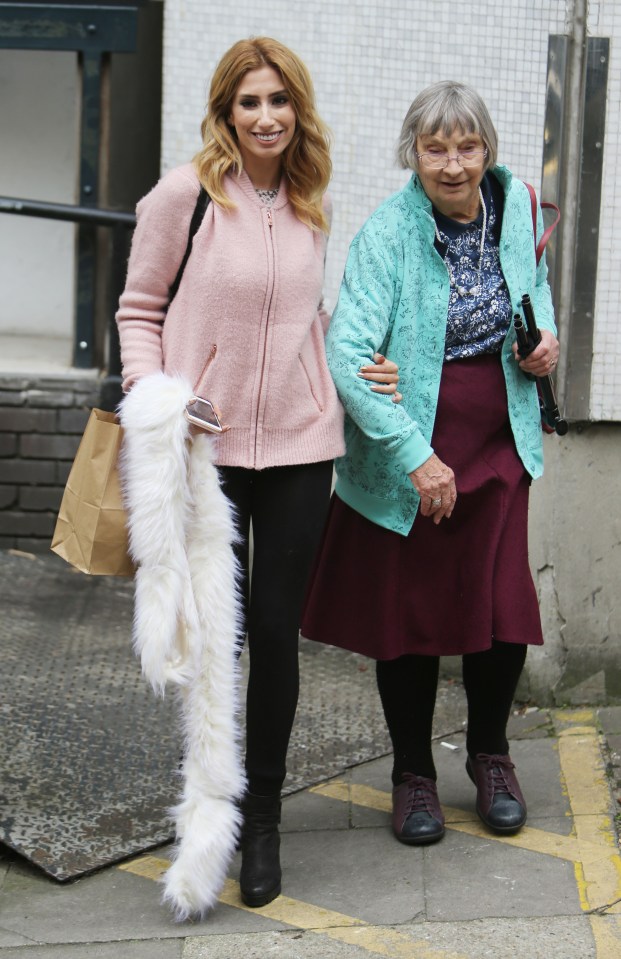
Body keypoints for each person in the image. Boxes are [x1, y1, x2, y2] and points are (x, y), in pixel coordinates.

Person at [116, 36, 399, 911]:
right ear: (225, 112)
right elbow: (138, 308)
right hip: (205, 448)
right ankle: (208, 805)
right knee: (212, 637)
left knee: (277, 632)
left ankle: (262, 818)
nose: (266, 117)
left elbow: (311, 318)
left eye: (279, 100)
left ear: (296, 109)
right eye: (249, 102)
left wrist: (362, 368)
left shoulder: (310, 200)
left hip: (301, 445)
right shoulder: (185, 193)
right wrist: (158, 394)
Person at [301, 81, 559, 848]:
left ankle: (491, 756)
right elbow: (348, 356)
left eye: (466, 147)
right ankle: (412, 772)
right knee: (408, 619)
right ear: (411, 152)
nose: (452, 164)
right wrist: (417, 455)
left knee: (497, 611)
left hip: (500, 439)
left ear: (488, 150)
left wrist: (541, 343)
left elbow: (535, 291)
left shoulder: (514, 209)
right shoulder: (387, 235)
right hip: (415, 446)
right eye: (434, 148)